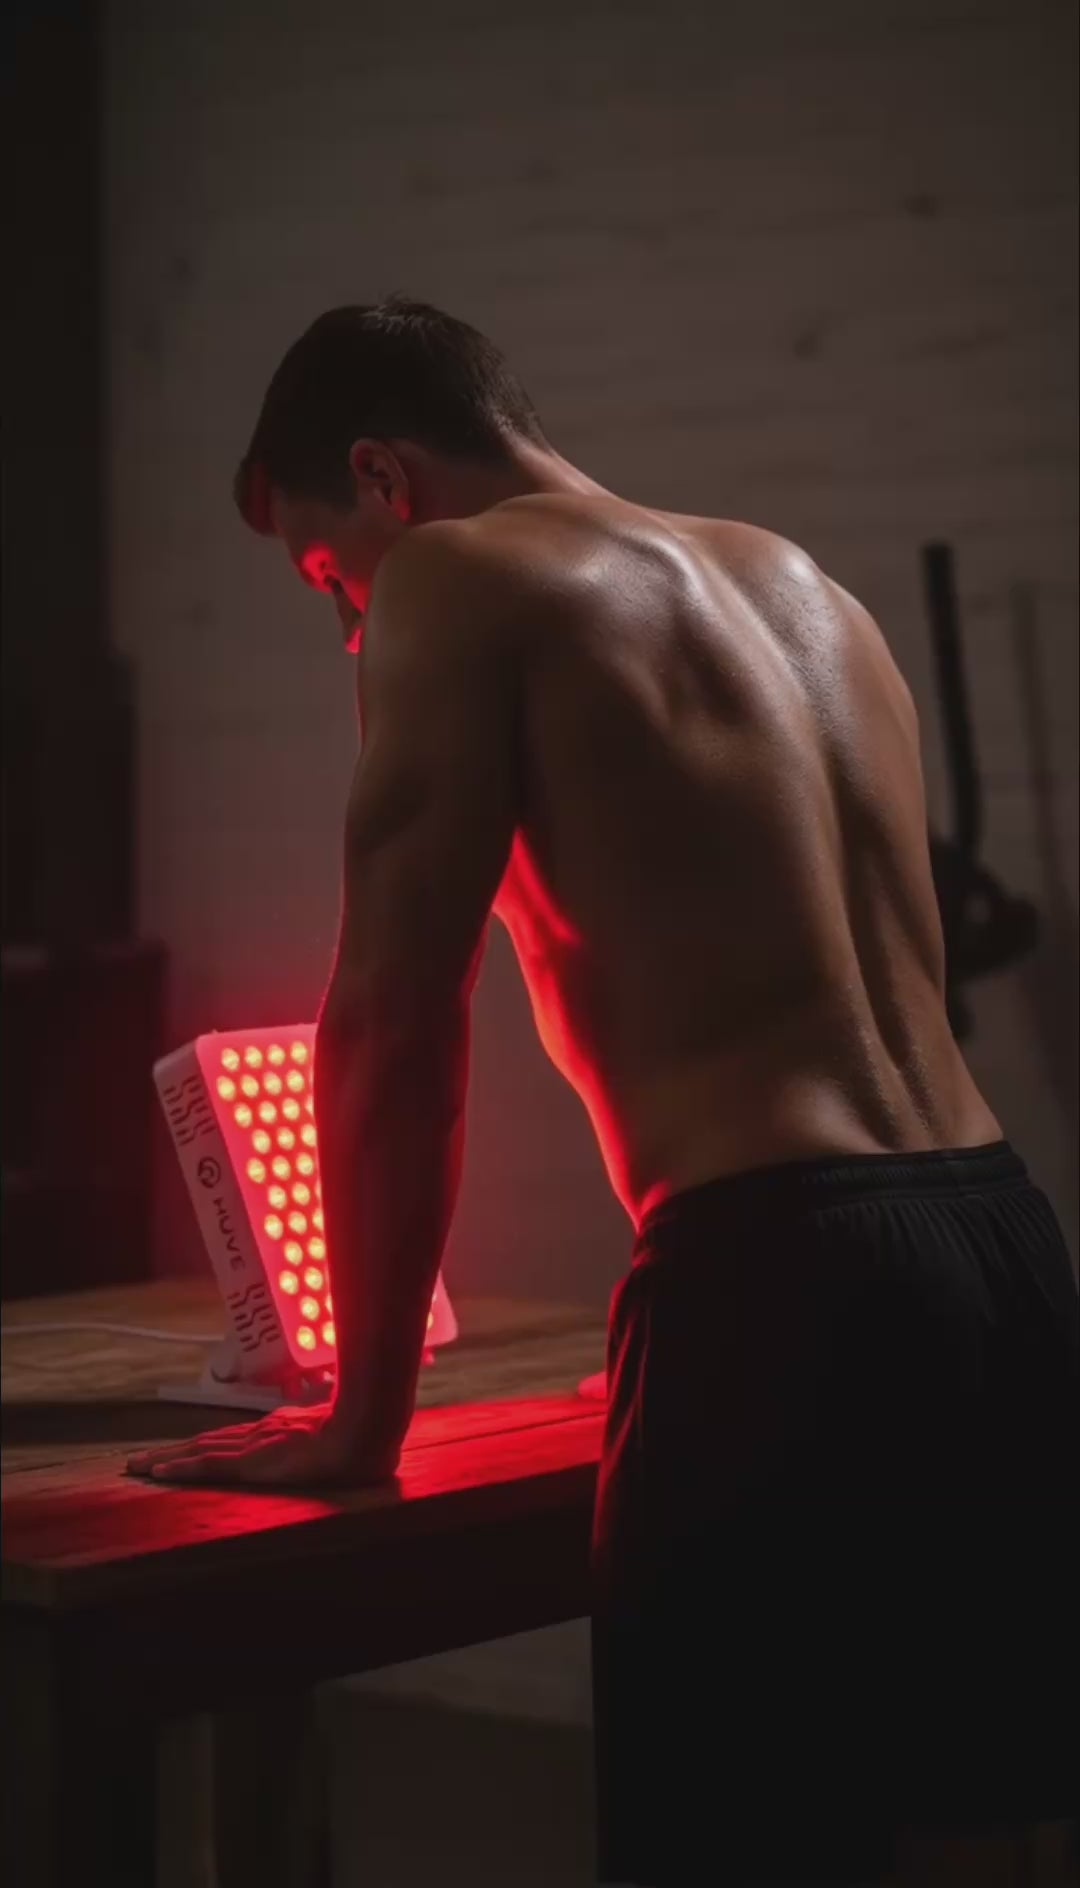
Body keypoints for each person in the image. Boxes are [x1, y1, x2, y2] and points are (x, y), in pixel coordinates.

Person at [128, 299, 1078, 1885]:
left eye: (324, 574)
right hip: (1001, 1257)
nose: (350, 624)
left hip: (782, 1285)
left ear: (382, 475)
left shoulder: (455, 575)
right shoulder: (802, 588)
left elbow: (394, 1024)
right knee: (968, 1850)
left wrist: (362, 1420)